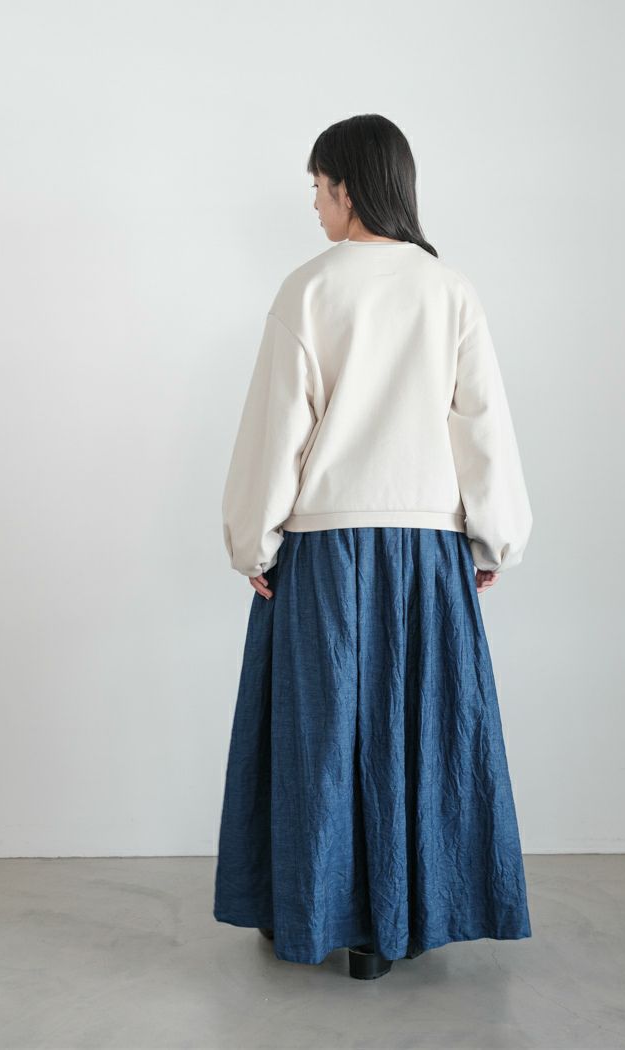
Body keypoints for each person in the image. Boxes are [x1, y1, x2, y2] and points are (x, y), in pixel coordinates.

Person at [213, 113, 533, 981]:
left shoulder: (309, 290)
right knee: (420, 734)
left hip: (325, 550)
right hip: (427, 555)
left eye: (319, 187)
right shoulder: (449, 290)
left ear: (349, 188)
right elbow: (483, 428)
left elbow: (276, 432)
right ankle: (404, 921)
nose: (315, 204)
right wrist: (494, 538)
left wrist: (254, 542)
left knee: (321, 737)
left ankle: (317, 913)